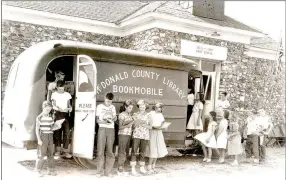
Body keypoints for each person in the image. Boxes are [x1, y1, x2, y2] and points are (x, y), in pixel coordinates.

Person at [95, 92, 117, 177]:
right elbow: (97, 120)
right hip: (102, 129)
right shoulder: (99, 106)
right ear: (104, 98)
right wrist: (104, 121)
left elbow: (115, 117)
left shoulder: (113, 107)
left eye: (110, 102)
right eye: (107, 101)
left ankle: (107, 172)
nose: (109, 103)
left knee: (110, 151)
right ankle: (99, 172)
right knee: (100, 150)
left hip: (111, 129)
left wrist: (114, 118)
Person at [35, 102, 58, 177]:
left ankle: (50, 170)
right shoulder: (39, 117)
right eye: (47, 110)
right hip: (43, 136)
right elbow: (37, 129)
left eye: (49, 110)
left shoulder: (50, 117)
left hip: (50, 136)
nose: (48, 111)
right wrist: (39, 139)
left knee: (50, 154)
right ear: (43, 108)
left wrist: (57, 126)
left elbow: (52, 128)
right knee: (41, 154)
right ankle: (38, 170)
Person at [51, 80, 72, 159]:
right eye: (59, 89)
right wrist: (57, 108)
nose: (61, 90)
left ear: (64, 87)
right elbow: (53, 104)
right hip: (57, 114)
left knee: (66, 133)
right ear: (56, 87)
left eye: (62, 89)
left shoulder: (67, 94)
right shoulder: (54, 94)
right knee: (57, 133)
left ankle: (66, 151)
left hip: (65, 114)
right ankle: (58, 151)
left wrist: (70, 108)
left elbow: (69, 104)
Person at [130, 100, 152, 175]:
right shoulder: (135, 114)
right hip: (136, 135)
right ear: (138, 107)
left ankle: (142, 168)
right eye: (140, 106)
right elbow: (132, 125)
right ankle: (133, 168)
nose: (142, 107)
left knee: (143, 152)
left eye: (143, 106)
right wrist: (136, 123)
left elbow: (151, 126)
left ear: (145, 107)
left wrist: (145, 125)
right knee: (134, 151)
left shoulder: (149, 115)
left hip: (145, 135)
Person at [146, 103, 168, 174]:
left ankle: (153, 166)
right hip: (152, 132)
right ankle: (149, 167)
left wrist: (164, 126)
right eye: (159, 107)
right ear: (155, 107)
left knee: (157, 149)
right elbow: (147, 122)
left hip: (158, 133)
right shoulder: (150, 113)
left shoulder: (161, 115)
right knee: (152, 149)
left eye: (161, 108)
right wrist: (151, 126)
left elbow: (162, 123)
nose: (160, 109)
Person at [117, 99, 134, 175]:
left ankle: (123, 167)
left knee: (126, 151)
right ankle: (120, 168)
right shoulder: (122, 115)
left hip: (128, 135)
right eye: (129, 108)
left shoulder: (130, 115)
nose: (131, 109)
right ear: (125, 107)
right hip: (122, 135)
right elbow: (120, 127)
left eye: (131, 108)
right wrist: (128, 125)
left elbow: (131, 126)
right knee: (122, 151)